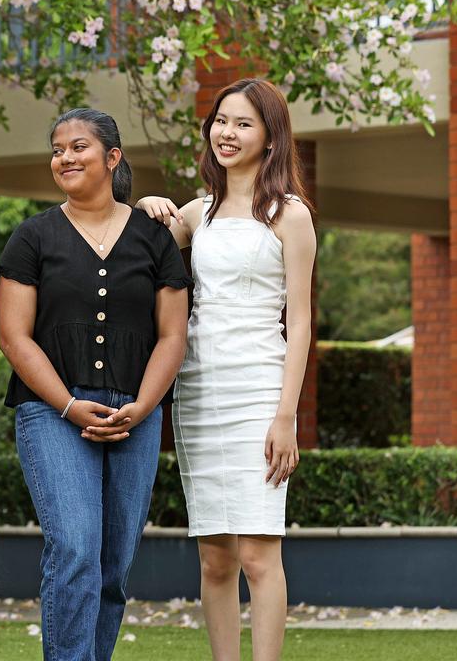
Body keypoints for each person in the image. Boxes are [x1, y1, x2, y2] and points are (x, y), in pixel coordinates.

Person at [0, 108, 190, 661]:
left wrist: (143, 406)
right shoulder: (32, 236)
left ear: (112, 157)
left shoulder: (155, 238)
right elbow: (14, 336)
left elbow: (172, 336)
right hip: (52, 413)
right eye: (57, 149)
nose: (65, 158)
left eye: (78, 147)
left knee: (114, 563)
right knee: (76, 549)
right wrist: (69, 405)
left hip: (137, 411)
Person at [135, 77, 316, 661]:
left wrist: (286, 414)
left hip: (260, 389)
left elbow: (302, 323)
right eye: (220, 121)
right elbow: (142, 242)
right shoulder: (198, 212)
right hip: (199, 391)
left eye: (243, 123)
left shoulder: (290, 216)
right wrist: (147, 206)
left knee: (260, 555)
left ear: (270, 137)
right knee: (214, 556)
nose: (227, 133)